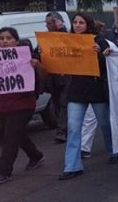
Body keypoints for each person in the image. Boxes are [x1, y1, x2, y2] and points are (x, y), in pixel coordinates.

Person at [60, 13, 118, 180]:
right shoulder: (67, 41)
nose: (78, 25)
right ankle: (72, 166)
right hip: (76, 91)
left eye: (81, 22)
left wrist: (101, 54)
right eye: (75, 22)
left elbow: (108, 64)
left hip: (96, 90)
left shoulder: (98, 40)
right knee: (73, 128)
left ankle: (114, 150)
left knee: (105, 123)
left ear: (88, 25)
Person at [0, 27, 47, 185]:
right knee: (17, 134)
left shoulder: (26, 59)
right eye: (1, 38)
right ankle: (36, 156)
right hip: (0, 106)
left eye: (8, 38)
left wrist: (37, 66)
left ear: (16, 41)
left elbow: (44, 79)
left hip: (22, 105)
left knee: (10, 138)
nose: (5, 41)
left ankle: (3, 172)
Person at [45, 11, 70, 144]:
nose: (47, 26)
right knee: (57, 103)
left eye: (50, 23)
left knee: (64, 102)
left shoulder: (66, 34)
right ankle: (64, 128)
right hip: (53, 76)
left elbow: (71, 45)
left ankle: (62, 131)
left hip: (66, 75)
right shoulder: (46, 39)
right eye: (47, 23)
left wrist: (63, 30)